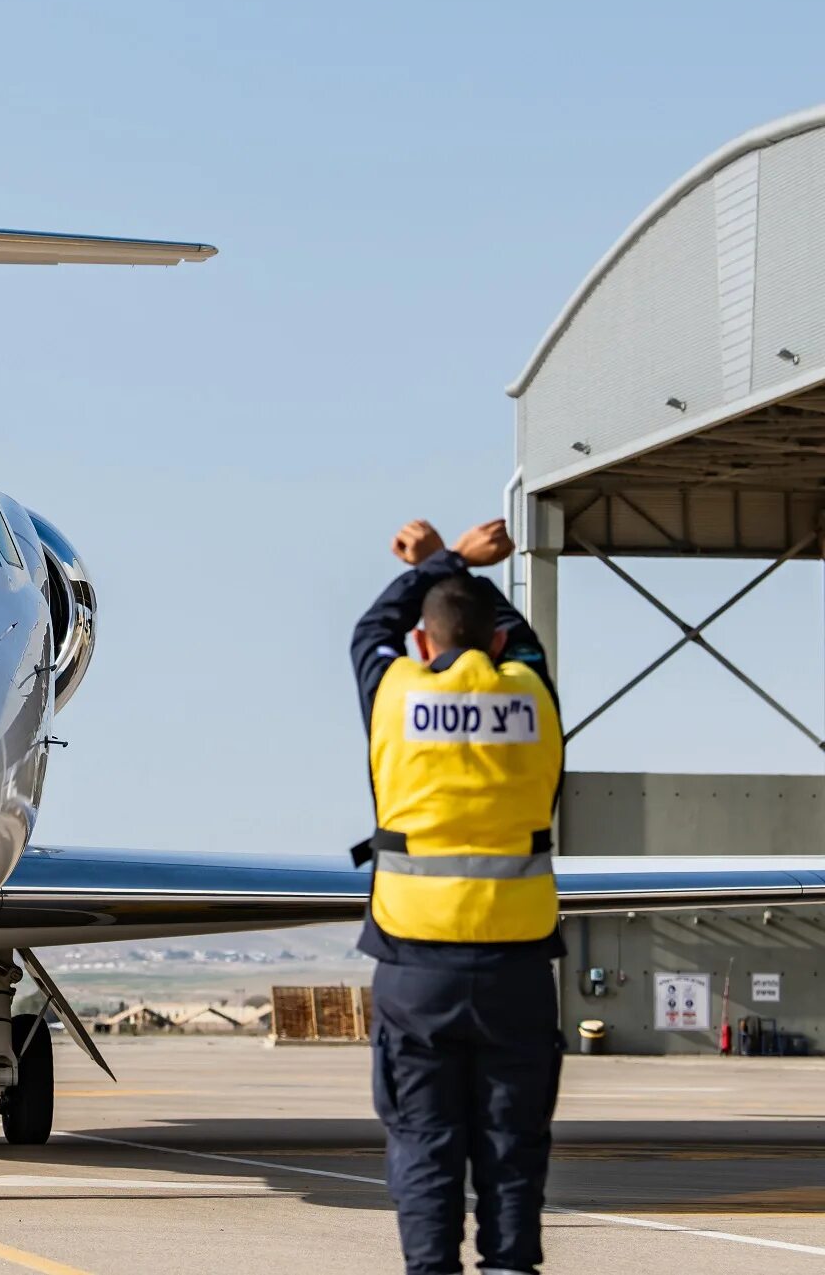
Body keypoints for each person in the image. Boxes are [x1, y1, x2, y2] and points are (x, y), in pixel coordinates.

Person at [350, 518, 565, 1275]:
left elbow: (371, 626)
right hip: (517, 970)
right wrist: (466, 572)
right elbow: (514, 634)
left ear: (421, 644)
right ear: (499, 648)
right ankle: (510, 1266)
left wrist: (445, 561)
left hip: (416, 970)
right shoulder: (532, 695)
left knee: (423, 1137)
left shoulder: (394, 692)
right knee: (512, 1142)